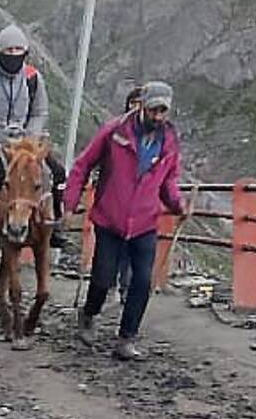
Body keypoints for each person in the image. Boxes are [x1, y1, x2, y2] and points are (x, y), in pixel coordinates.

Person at [65, 81, 186, 360]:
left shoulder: (170, 141)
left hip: (145, 223)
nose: (158, 116)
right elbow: (83, 165)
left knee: (142, 281)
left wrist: (177, 205)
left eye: (163, 111)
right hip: (110, 219)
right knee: (103, 278)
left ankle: (126, 338)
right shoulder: (115, 132)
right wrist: (70, 203)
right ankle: (89, 313)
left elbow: (168, 180)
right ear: (142, 105)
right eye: (154, 110)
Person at [0, 25, 65, 256]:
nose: (14, 55)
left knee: (56, 172)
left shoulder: (33, 79)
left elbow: (40, 112)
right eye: (9, 50)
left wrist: (30, 136)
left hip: (25, 142)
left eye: (18, 50)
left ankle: (54, 225)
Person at [113, 86, 146, 303]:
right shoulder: (116, 130)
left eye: (139, 104)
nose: (135, 108)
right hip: (116, 200)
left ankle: (126, 288)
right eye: (132, 103)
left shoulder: (155, 135)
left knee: (132, 249)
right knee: (115, 247)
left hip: (141, 203)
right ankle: (110, 285)